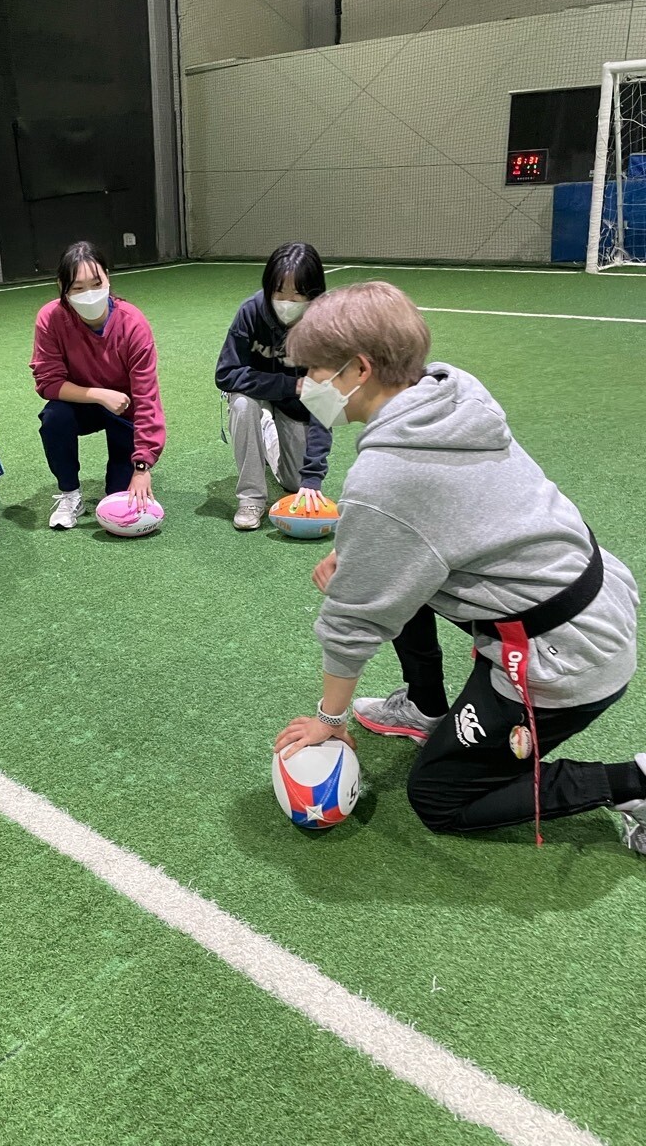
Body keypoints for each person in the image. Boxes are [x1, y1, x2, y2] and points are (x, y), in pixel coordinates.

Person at [273, 281, 646, 854]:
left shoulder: (387, 478)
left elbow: (352, 622)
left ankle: (633, 782)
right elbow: (447, 523)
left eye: (316, 370)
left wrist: (332, 718)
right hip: (589, 598)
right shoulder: (452, 396)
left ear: (359, 369)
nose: (307, 385)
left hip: (566, 656)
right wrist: (361, 556)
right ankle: (425, 706)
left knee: (440, 798)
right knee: (383, 573)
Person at [30, 241, 166, 530]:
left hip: (125, 408)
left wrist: (142, 466)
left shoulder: (133, 323)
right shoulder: (51, 318)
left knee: (120, 497)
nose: (88, 295)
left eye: (96, 283)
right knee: (54, 417)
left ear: (107, 278)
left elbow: (146, 396)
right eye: (77, 288)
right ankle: (70, 494)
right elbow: (47, 382)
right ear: (62, 288)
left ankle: (122, 475)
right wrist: (100, 395)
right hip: (81, 405)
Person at [215, 242, 333, 531]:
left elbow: (326, 403)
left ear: (314, 292)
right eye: (279, 291)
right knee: (243, 405)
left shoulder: (325, 327)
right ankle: (251, 497)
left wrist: (312, 477)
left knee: (294, 482)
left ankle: (266, 428)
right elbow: (226, 373)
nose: (287, 300)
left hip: (297, 405)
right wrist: (290, 385)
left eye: (298, 293)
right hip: (256, 393)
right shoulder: (251, 312)